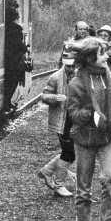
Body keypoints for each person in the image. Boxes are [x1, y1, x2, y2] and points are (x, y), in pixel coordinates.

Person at [65, 38, 111, 221]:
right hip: (84, 139)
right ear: (91, 58)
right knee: (83, 186)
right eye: (102, 54)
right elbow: (73, 113)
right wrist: (93, 115)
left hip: (108, 137)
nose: (107, 57)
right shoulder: (76, 83)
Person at [36, 58, 76, 199]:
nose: (72, 69)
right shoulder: (56, 77)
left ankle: (47, 171)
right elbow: (44, 96)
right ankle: (59, 185)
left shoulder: (80, 75)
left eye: (74, 66)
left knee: (72, 151)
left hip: (76, 119)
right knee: (69, 152)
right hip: (62, 121)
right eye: (69, 66)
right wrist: (55, 97)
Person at [2, 0, 29, 115]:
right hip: (14, 60)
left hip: (8, 58)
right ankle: (7, 102)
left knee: (10, 81)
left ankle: (7, 102)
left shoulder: (6, 24)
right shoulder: (15, 29)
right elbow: (18, 44)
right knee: (14, 80)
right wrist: (25, 47)